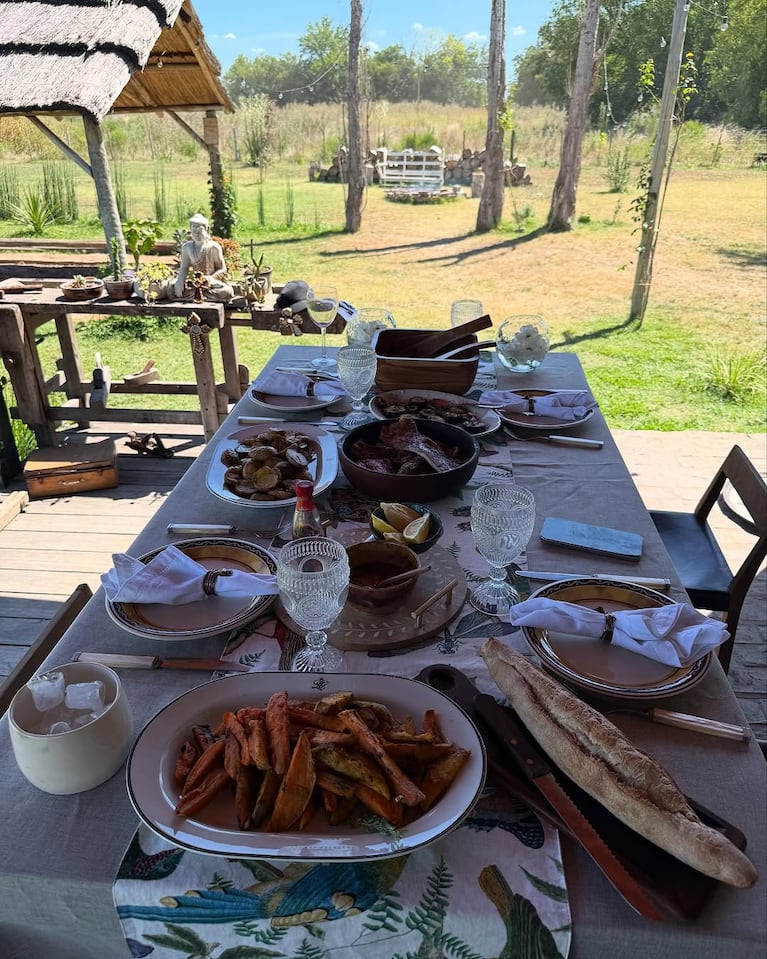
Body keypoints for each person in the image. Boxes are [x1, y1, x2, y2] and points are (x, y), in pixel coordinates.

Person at [159, 213, 234, 302]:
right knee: (171, 290)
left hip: (210, 283)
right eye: (194, 231)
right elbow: (184, 267)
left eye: (200, 231)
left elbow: (222, 269)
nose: (197, 234)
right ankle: (198, 296)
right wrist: (180, 281)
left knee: (227, 292)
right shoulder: (187, 247)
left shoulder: (213, 247)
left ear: (207, 230)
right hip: (193, 284)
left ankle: (198, 297)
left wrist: (210, 278)